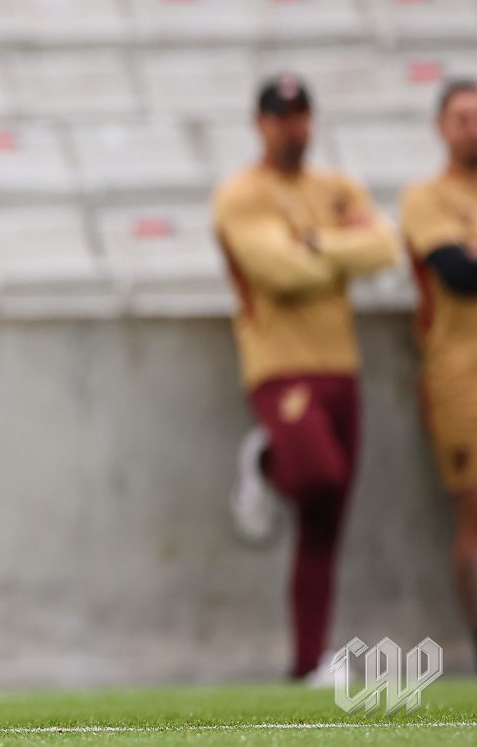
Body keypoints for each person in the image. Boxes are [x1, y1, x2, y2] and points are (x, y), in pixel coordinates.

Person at [213, 75, 399, 683]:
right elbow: (278, 273)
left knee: (326, 521)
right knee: (319, 472)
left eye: (300, 116)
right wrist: (338, 253)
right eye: (280, 117)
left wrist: (316, 242)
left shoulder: (335, 187)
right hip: (279, 364)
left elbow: (384, 251)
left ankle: (308, 662)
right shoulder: (242, 193)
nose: (292, 128)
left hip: (340, 361)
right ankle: (264, 464)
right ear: (259, 123)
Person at [400, 79, 477, 671]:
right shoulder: (427, 197)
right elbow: (456, 271)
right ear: (441, 127)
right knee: (474, 513)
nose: (472, 127)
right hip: (463, 372)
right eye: (461, 118)